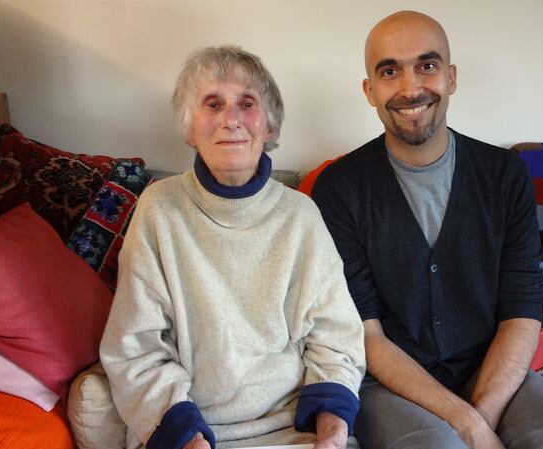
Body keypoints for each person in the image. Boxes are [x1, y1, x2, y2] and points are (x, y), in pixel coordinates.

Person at [311, 11, 543, 449]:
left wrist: (483, 416)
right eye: (390, 71)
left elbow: (522, 311)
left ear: (451, 78)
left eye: (427, 65)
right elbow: (367, 332)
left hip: (489, 370)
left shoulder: (504, 175)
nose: (411, 87)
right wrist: (466, 425)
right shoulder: (340, 188)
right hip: (387, 384)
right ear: (370, 90)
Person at [100, 46, 366, 449]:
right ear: (190, 127)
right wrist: (189, 440)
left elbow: (337, 339)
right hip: (188, 434)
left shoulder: (301, 215)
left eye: (247, 103)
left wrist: (332, 434)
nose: (231, 119)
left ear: (270, 126)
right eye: (213, 104)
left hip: (296, 431)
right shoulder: (159, 210)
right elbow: (135, 349)